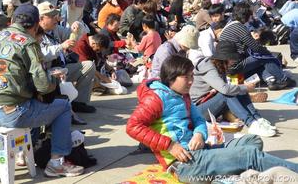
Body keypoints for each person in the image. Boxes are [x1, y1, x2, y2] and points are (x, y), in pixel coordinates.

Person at [126, 54, 298, 183]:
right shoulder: (155, 99)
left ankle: (228, 176)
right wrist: (169, 145)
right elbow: (132, 126)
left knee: (252, 141)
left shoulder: (182, 95)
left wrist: (199, 135)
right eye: (187, 77)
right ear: (171, 78)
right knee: (249, 155)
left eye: (192, 76)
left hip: (202, 152)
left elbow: (200, 120)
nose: (192, 81)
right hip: (186, 164)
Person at [0, 4, 84, 177]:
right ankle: (56, 163)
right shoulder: (28, 42)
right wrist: (54, 77)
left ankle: (23, 154)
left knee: (33, 102)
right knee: (64, 106)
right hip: (14, 112)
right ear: (36, 25)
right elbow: (44, 85)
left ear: (13, 20)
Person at [191, 41, 276, 137]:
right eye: (232, 59)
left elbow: (230, 88)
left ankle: (257, 119)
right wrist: (245, 87)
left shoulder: (219, 66)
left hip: (210, 104)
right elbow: (225, 90)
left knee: (237, 89)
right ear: (224, 58)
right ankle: (251, 123)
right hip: (197, 110)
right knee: (227, 94)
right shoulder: (208, 67)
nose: (234, 61)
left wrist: (242, 87)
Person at [219, 2, 294, 90]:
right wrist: (269, 52)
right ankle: (283, 79)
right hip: (234, 67)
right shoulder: (239, 27)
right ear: (246, 15)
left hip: (228, 70)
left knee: (259, 62)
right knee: (265, 56)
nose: (251, 17)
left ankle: (271, 80)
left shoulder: (229, 26)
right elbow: (256, 48)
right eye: (250, 15)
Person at [37, 1, 96, 113]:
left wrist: (78, 26)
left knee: (88, 66)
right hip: (46, 73)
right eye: (51, 16)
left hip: (61, 68)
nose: (56, 18)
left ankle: (79, 102)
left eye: (56, 15)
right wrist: (61, 46)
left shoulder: (55, 29)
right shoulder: (34, 32)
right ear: (41, 18)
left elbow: (75, 36)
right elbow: (40, 55)